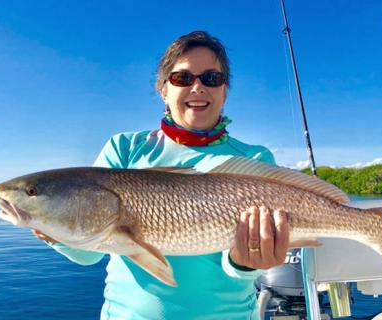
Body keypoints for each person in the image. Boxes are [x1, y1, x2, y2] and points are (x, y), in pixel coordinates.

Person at [33, 30, 290, 320]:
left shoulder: (254, 159)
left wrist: (245, 263)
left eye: (211, 78)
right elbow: (89, 253)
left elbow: (240, 270)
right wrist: (53, 229)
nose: (197, 87)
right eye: (182, 78)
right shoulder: (125, 148)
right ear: (163, 89)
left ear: (224, 90)